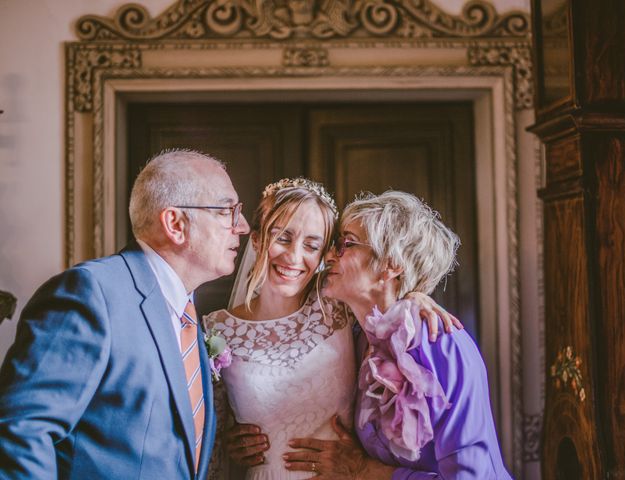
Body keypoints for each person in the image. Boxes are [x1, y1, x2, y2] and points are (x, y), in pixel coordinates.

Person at [0, 149, 250, 479]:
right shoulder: (92, 293)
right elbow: (22, 431)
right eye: (226, 211)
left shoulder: (186, 313)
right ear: (175, 223)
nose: (242, 227)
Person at [203, 180, 460, 480]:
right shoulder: (216, 330)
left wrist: (414, 297)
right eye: (283, 238)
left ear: (325, 254)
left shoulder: (338, 308)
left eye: (312, 246)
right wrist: (231, 442)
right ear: (258, 239)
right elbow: (211, 433)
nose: (293, 257)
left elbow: (384, 295)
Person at [283, 191, 512, 479]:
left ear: (391, 264)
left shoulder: (441, 344)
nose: (328, 256)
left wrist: (363, 471)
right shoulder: (352, 339)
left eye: (346, 244)